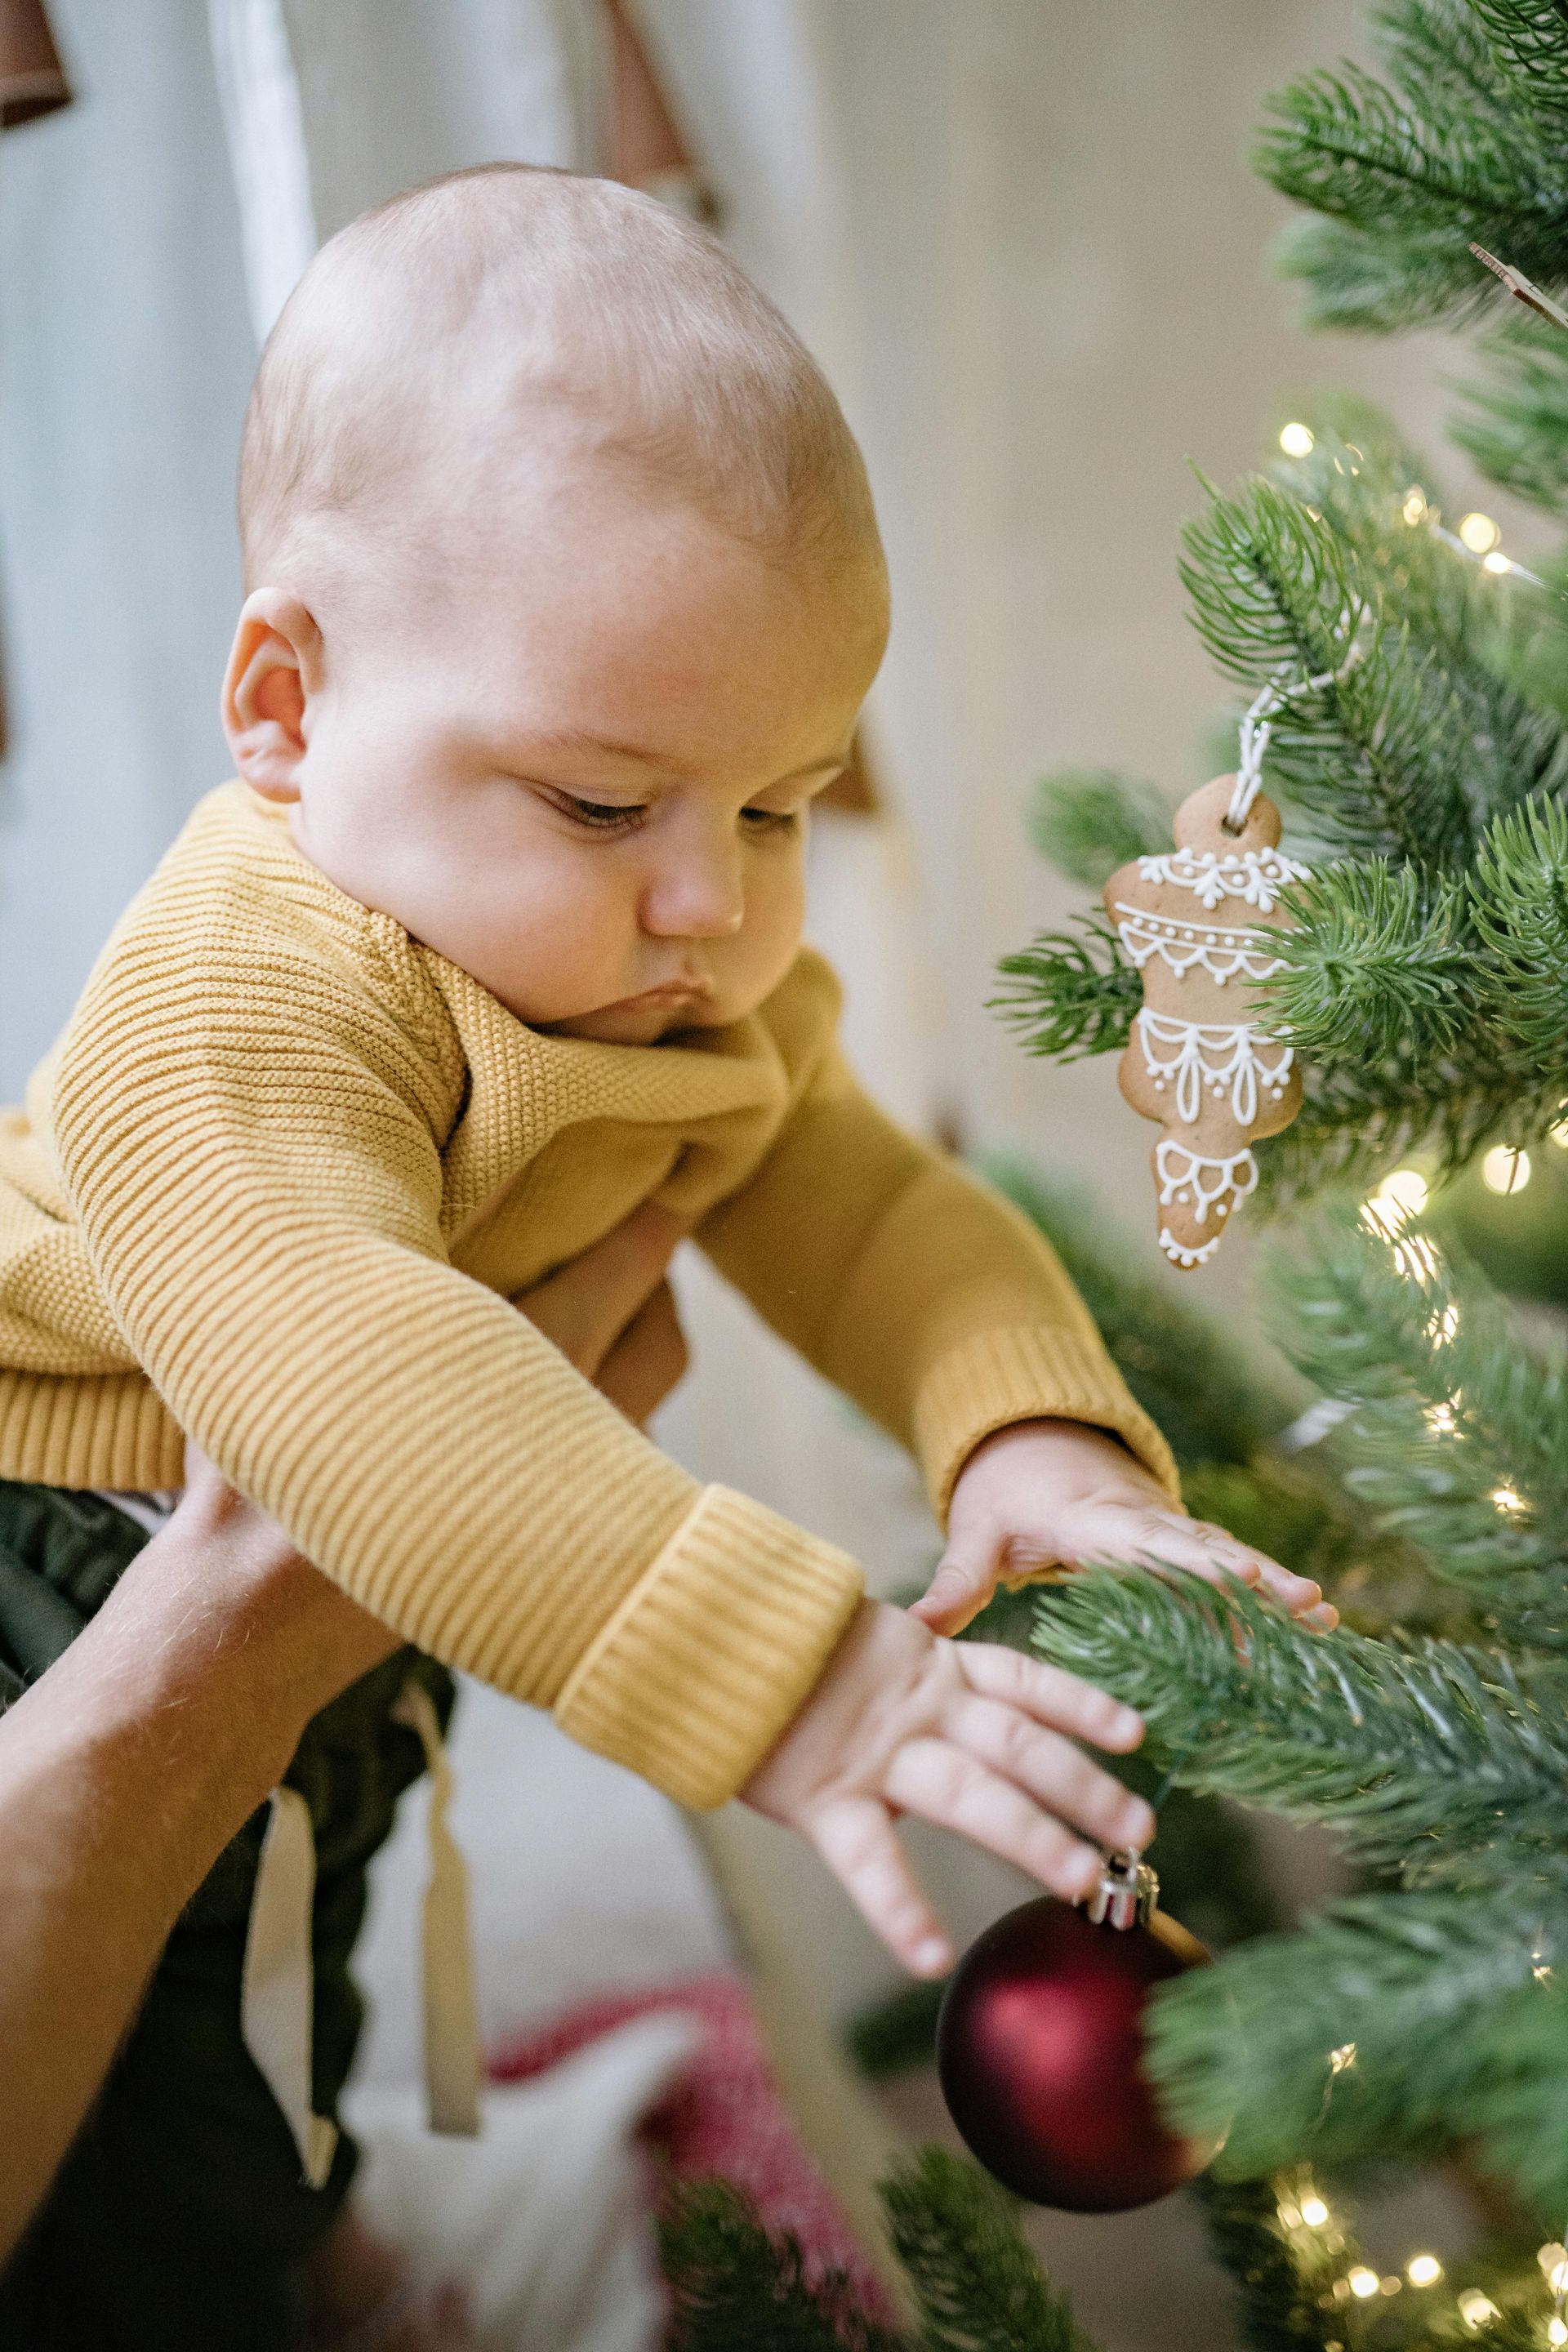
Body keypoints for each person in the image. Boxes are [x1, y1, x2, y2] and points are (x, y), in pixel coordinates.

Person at [0, 164, 1332, 2346]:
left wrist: (1032, 1448)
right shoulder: (242, 991)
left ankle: (287, 2232)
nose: (710, 906)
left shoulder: (670, 986)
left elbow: (877, 1205)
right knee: (120, 2066)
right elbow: (338, 1354)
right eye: (607, 807)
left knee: (271, 1975)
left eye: (782, 802)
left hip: (340, 1626)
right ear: (285, 705)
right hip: (45, 1569)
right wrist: (799, 1669)